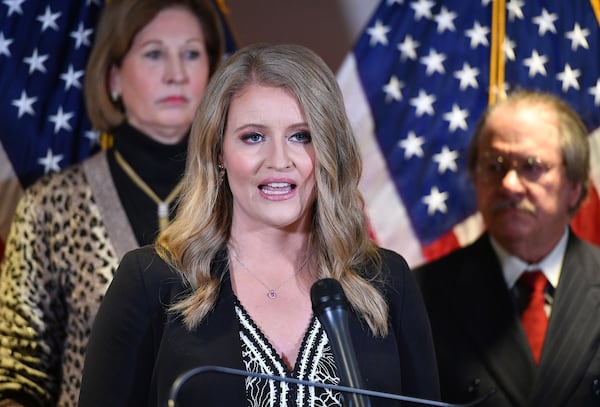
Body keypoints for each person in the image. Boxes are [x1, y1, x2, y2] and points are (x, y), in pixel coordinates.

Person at [78, 43, 440, 407]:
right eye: (254, 137)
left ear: (330, 150)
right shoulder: (152, 281)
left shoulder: (385, 281)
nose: (279, 160)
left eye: (302, 136)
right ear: (218, 152)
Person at [0, 1, 224, 406]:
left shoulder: (242, 196)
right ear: (114, 77)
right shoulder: (51, 204)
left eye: (192, 53)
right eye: (154, 53)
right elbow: (17, 373)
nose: (177, 74)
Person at [415, 90, 600, 406]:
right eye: (495, 165)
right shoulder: (419, 296)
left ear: (574, 187)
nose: (510, 184)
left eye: (531, 165)